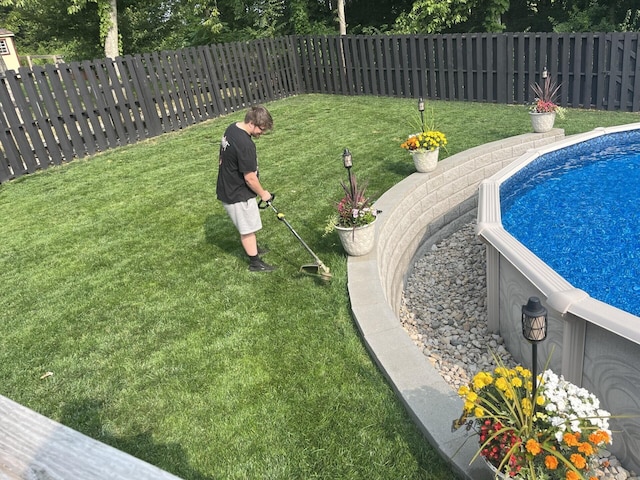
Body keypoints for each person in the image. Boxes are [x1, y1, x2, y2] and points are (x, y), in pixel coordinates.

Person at [216, 105, 276, 272]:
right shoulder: (245, 144)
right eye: (261, 129)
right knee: (248, 229)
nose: (261, 133)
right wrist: (263, 193)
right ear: (251, 122)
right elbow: (249, 178)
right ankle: (255, 263)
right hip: (236, 192)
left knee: (250, 224)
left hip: (228, 184)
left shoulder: (233, 127)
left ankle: (254, 249)